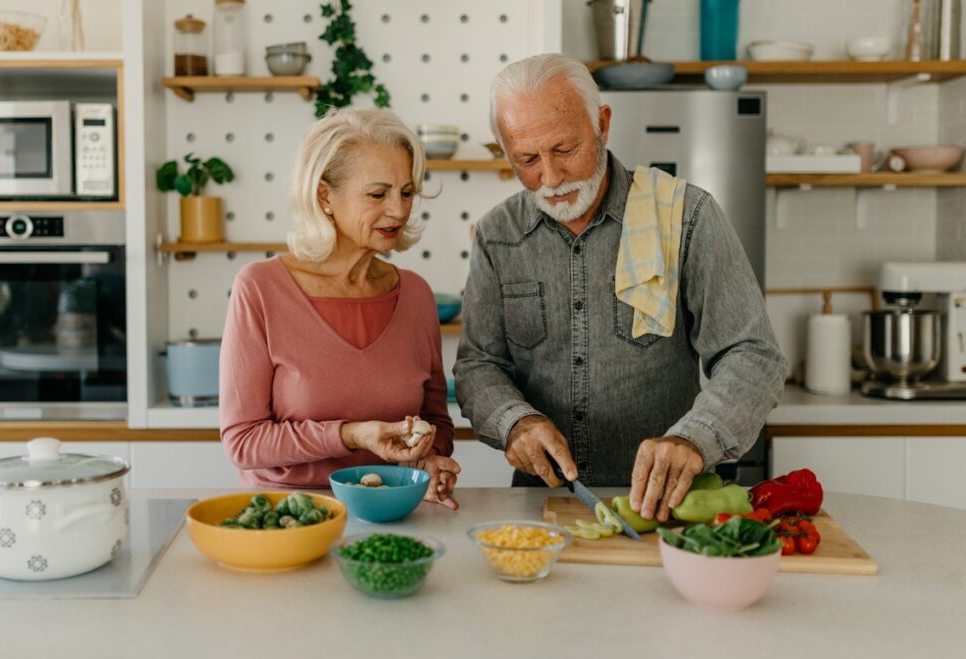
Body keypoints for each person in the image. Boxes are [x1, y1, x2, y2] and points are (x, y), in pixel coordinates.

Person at [454, 54, 786, 521]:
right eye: (527, 160)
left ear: (602, 124)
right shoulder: (497, 235)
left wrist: (696, 436)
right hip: (540, 507)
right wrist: (515, 422)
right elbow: (479, 365)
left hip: (671, 507)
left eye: (565, 149)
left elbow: (752, 354)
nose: (550, 179)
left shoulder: (687, 216)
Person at [220, 108, 459, 509]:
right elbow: (243, 443)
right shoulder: (260, 288)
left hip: (394, 513)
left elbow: (437, 423)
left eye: (406, 192)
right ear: (324, 196)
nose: (399, 210)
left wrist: (428, 458)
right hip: (291, 519)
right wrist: (351, 435)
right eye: (377, 194)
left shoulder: (416, 295)